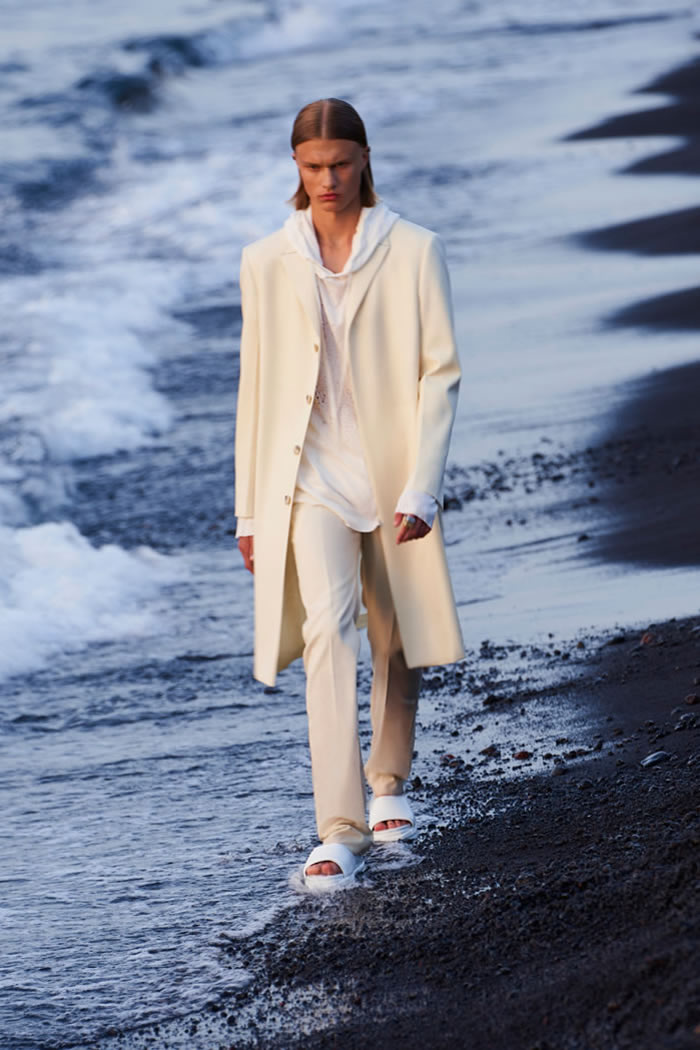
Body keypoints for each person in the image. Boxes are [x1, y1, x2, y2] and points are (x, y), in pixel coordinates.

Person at [235, 98, 463, 887]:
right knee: (328, 633)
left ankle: (388, 778)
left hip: (393, 470)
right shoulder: (266, 260)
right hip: (308, 478)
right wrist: (248, 510)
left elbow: (441, 374)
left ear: (364, 158)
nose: (326, 179)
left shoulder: (414, 249)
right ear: (295, 168)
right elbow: (255, 388)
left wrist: (424, 487)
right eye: (312, 167)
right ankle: (339, 826)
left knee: (394, 634)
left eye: (338, 163)